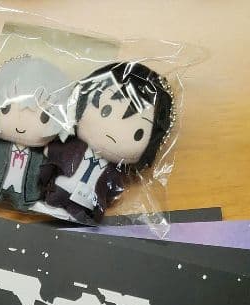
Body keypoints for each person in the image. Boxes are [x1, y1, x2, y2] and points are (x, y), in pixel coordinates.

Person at [39, 61, 174, 224]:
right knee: (55, 194)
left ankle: (78, 215)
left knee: (84, 211)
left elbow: (113, 189)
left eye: (137, 134)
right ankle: (52, 204)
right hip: (62, 185)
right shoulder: (74, 147)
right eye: (106, 111)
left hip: (89, 199)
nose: (113, 132)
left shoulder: (114, 171)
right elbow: (56, 152)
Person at [0, 56, 70, 211]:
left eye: (45, 117)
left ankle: (23, 203)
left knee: (25, 204)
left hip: (28, 196)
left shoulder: (39, 154)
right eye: (5, 109)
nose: (22, 124)